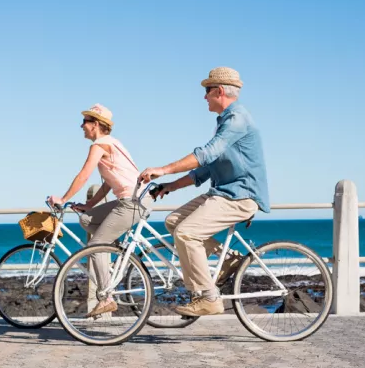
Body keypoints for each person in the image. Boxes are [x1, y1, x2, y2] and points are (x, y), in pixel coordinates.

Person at [139, 67, 270, 317]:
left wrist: (164, 169)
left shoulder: (237, 119)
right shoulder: (225, 120)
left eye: (207, 91)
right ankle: (229, 259)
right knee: (173, 221)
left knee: (187, 234)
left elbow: (205, 154)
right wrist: (170, 186)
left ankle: (208, 298)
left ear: (219, 91)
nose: (204, 97)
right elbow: (206, 169)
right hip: (223, 192)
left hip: (240, 195)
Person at [48, 103, 151, 318]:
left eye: (85, 122)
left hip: (132, 203)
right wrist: (89, 205)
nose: (81, 126)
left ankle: (106, 297)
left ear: (95, 124)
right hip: (133, 199)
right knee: (86, 219)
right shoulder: (112, 143)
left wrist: (63, 199)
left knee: (95, 245)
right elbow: (107, 183)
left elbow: (84, 174)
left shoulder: (99, 145)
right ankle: (108, 252)